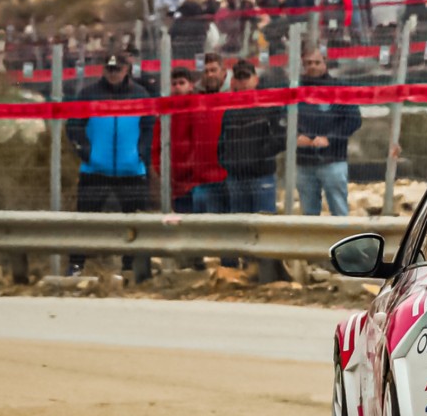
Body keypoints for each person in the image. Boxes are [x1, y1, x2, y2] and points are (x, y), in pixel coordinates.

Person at [64, 53, 154, 275]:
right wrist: (87, 152)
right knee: (84, 221)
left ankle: (130, 268)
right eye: (109, 69)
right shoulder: (89, 94)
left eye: (117, 69)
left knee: (134, 222)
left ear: (127, 70)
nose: (113, 73)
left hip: (131, 171)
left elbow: (149, 128)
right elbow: (73, 126)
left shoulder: (140, 95)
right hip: (95, 170)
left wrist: (139, 154)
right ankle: (76, 265)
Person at [295, 48, 361, 217]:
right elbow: (283, 118)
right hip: (304, 162)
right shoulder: (296, 90)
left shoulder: (340, 88)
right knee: (308, 215)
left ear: (325, 63)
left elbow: (354, 119)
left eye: (317, 62)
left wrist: (329, 138)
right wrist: (295, 137)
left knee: (339, 211)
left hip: (333, 160)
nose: (313, 66)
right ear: (303, 65)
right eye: (308, 63)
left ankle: (343, 243)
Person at [218, 59, 284, 220]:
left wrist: (262, 155)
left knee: (265, 224)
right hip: (236, 177)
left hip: (261, 176)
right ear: (234, 81)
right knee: (238, 227)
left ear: (256, 79)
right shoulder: (230, 109)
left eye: (246, 77)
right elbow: (222, 139)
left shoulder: (269, 105)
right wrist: (226, 160)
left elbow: (282, 134)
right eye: (239, 78)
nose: (243, 82)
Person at [163, 65, 227, 214]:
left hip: (198, 180)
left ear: (191, 85)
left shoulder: (199, 107)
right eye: (174, 84)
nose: (177, 87)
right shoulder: (167, 111)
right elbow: (159, 146)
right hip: (179, 182)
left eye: (181, 83)